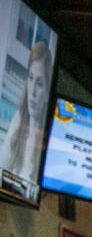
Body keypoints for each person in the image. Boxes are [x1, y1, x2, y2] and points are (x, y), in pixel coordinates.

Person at [0, 41, 52, 187]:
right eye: (30, 78)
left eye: (40, 83)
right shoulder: (18, 119)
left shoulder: (47, 140)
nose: (33, 91)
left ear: (47, 93)